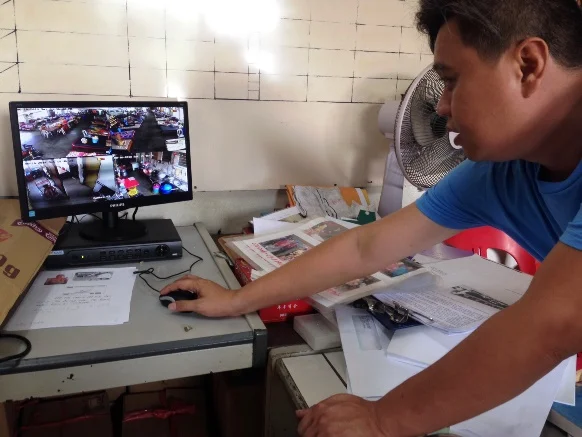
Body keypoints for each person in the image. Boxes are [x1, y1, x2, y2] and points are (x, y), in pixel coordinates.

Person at [162, 0, 582, 435]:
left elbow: (549, 326)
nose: (442, 107)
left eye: (452, 81)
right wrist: (238, 300)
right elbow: (367, 247)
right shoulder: (501, 171)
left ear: (528, 65)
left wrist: (381, 420)